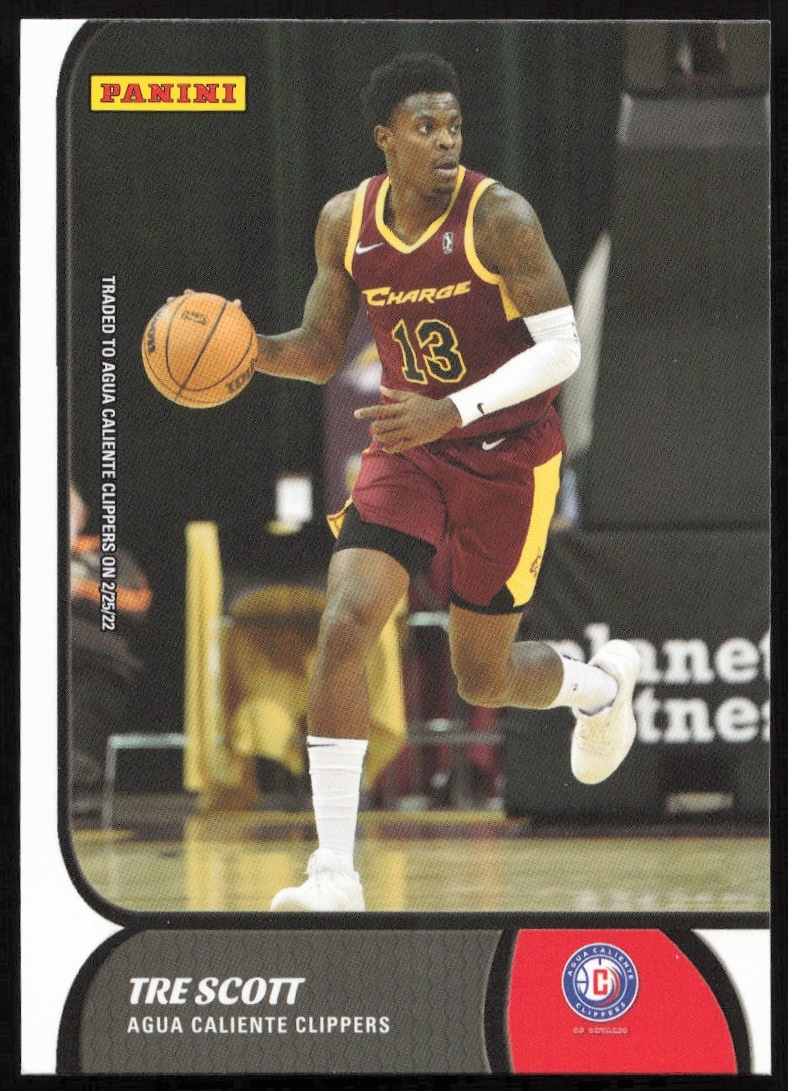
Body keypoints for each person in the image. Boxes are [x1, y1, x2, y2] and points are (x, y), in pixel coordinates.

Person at [219, 53, 641, 909]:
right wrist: (246, 350)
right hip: (410, 451)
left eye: (454, 126)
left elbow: (563, 349)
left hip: (508, 454)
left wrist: (454, 409)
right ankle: (334, 870)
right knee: (345, 622)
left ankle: (600, 689)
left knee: (483, 676)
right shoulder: (346, 221)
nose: (446, 142)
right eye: (426, 128)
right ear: (386, 139)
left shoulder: (501, 218)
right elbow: (319, 349)